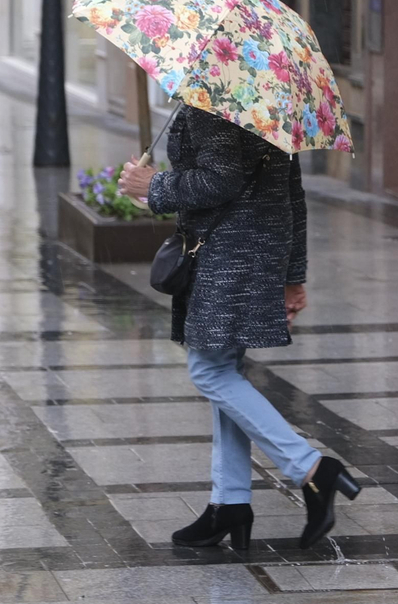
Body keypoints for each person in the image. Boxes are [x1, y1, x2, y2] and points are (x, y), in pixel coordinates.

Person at [117, 107, 359, 551]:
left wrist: (151, 185)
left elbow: (219, 179)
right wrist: (293, 274)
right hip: (257, 249)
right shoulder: (264, 101)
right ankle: (229, 502)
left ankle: (310, 468)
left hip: (227, 256)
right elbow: (291, 190)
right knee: (223, 370)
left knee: (209, 371)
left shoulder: (214, 101)